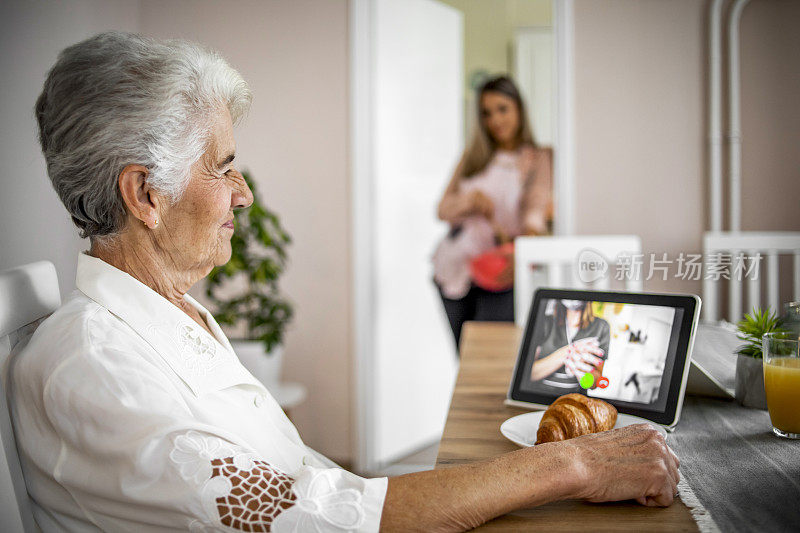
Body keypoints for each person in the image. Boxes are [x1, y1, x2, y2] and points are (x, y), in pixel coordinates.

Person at [8, 32, 679, 532]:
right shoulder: (95, 372)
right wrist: (574, 465)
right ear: (145, 193)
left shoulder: (172, 315)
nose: (241, 194)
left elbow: (317, 487)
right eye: (223, 167)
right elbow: (312, 516)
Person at [433, 76, 552, 350]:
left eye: (502, 109)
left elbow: (535, 211)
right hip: (454, 268)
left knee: (492, 357)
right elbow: (443, 210)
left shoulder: (537, 158)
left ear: (519, 109)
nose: (495, 120)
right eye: (486, 113)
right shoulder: (473, 157)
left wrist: (526, 248)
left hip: (501, 272)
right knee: (463, 359)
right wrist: (469, 201)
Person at [527, 300, 611, 395]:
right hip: (539, 396)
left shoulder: (601, 326)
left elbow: (596, 381)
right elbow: (528, 374)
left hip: (575, 400)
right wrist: (569, 352)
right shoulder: (545, 321)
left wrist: (584, 375)